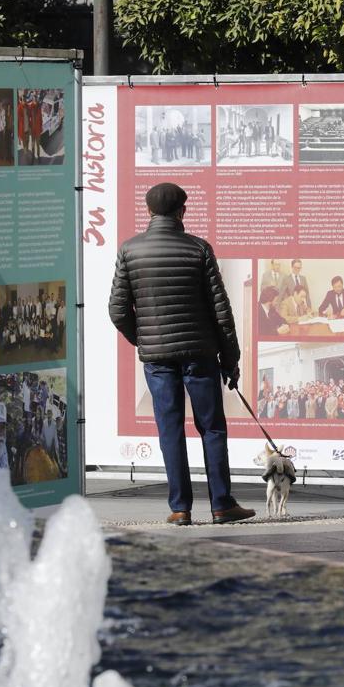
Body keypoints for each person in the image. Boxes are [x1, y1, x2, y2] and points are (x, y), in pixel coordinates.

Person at [109, 182, 255, 526]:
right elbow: (222, 311)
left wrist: (145, 340)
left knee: (169, 430)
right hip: (200, 354)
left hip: (157, 358)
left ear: (148, 212)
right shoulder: (199, 249)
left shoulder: (129, 251)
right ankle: (222, 504)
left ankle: (180, 508)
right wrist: (230, 359)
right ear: (182, 212)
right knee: (213, 429)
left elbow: (118, 310)